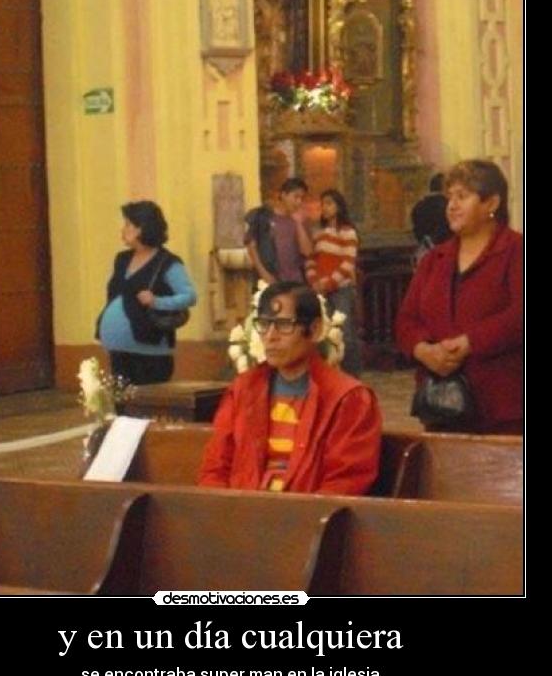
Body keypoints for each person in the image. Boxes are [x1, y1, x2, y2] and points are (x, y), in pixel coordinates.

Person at [198, 282, 381, 494]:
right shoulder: (244, 389)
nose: (270, 336)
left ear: (314, 330)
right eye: (264, 324)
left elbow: (345, 481)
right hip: (243, 514)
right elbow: (215, 467)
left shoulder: (347, 398)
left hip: (308, 518)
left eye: (284, 324)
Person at [395, 159, 523, 434]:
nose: (451, 206)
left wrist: (470, 342)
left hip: (502, 406)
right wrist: (423, 349)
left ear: (491, 203)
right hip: (441, 406)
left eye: (462, 197)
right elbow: (406, 319)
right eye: (449, 197)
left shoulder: (515, 251)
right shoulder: (435, 259)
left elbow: (519, 315)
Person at [95, 201, 197, 385]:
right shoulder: (122, 259)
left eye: (128, 224)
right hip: (119, 352)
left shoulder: (167, 262)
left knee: (146, 407)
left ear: (142, 228)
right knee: (122, 408)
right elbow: (114, 297)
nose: (123, 229)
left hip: (150, 353)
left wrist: (157, 301)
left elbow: (189, 296)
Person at [305, 188, 362, 376]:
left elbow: (348, 262)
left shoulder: (347, 232)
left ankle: (351, 374)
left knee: (345, 332)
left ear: (338, 206)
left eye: (329, 203)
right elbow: (311, 259)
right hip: (321, 291)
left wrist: (329, 283)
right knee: (325, 334)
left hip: (340, 289)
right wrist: (314, 281)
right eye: (323, 204)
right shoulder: (319, 233)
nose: (325, 208)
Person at [244, 177, 312, 284]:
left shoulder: (301, 221)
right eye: (296, 197)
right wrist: (264, 274)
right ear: (283, 195)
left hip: (295, 280)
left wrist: (298, 224)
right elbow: (252, 247)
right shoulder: (264, 217)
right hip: (270, 277)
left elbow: (307, 252)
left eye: (302, 198)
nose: (298, 202)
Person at [410, 172, 451, 261]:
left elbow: (416, 230)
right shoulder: (449, 207)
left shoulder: (418, 206)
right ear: (444, 187)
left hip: (425, 252)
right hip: (446, 254)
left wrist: (427, 242)